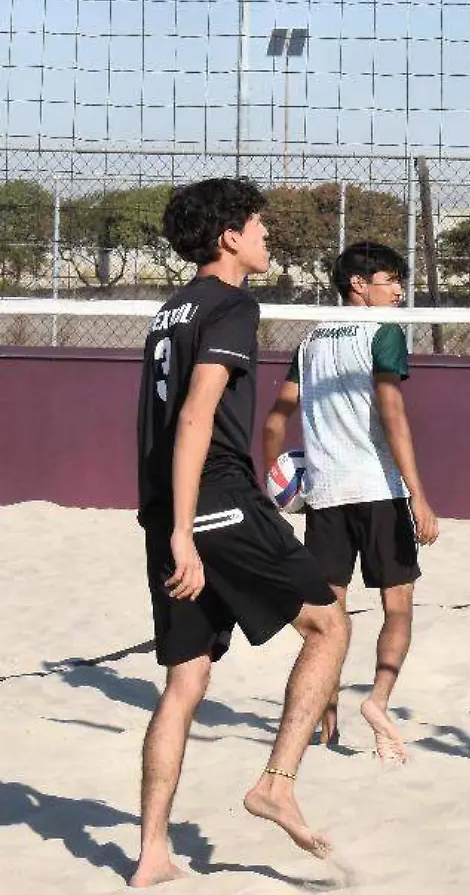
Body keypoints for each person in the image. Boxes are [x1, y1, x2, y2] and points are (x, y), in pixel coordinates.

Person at [131, 178, 347, 887]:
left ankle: (152, 854)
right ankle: (277, 783)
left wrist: (172, 529)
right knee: (329, 625)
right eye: (257, 224)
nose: (266, 235)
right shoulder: (232, 303)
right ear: (229, 236)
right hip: (214, 499)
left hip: (165, 506)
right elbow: (195, 417)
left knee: (185, 679)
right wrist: (190, 535)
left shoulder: (170, 311)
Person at [263, 241, 440, 762]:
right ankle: (379, 702)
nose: (399, 290)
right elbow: (392, 414)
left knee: (329, 622)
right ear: (358, 286)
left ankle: (328, 722)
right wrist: (420, 496)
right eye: (389, 280)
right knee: (399, 610)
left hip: (324, 496)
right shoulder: (383, 334)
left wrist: (275, 481)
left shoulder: (310, 340)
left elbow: (275, 420)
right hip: (378, 490)